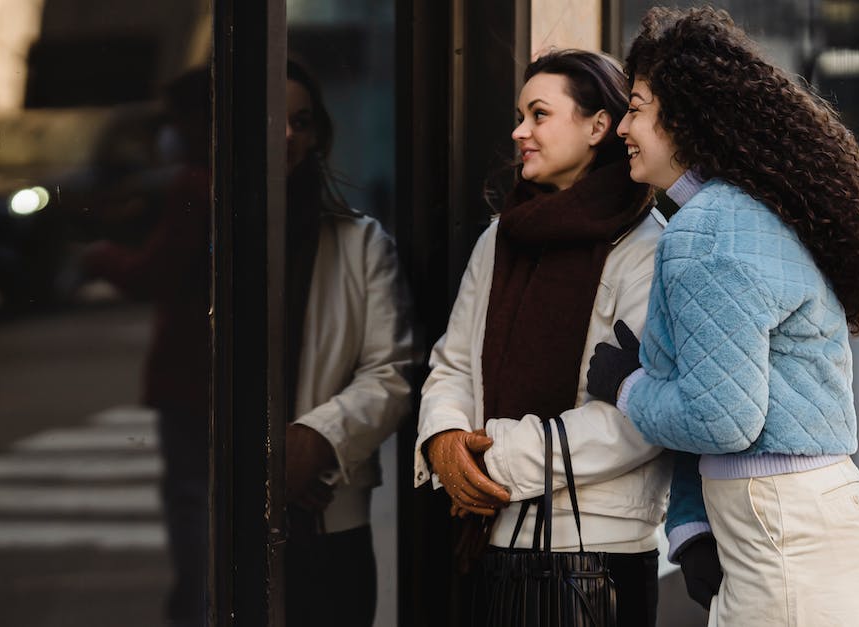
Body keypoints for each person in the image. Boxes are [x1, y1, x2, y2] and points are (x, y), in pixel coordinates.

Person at [586, 7, 859, 625]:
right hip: (798, 526)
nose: (622, 125)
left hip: (789, 536)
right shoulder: (741, 212)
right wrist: (692, 525)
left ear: (686, 117)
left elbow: (720, 419)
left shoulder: (709, 232)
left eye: (637, 106)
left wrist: (626, 386)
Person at [415, 49, 670, 627]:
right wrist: (447, 441)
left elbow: (641, 414)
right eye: (519, 115)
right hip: (494, 541)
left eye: (538, 114)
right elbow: (453, 363)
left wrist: (490, 461)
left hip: (599, 546)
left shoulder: (649, 249)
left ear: (597, 126)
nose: (518, 131)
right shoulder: (500, 238)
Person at [281, 59, 415, 627]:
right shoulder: (210, 241)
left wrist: (315, 442)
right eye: (273, 118)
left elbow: (394, 372)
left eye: (302, 120)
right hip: (225, 522)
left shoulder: (361, 244)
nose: (288, 133)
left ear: (317, 136)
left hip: (331, 521)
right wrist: (263, 464)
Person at [83, 68, 212, 627]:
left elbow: (156, 272)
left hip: (189, 366)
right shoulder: (228, 177)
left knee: (190, 499)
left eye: (174, 119)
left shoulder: (194, 183)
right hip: (214, 366)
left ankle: (198, 606)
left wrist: (101, 254)